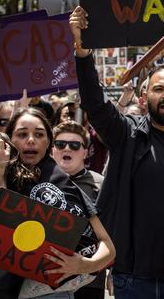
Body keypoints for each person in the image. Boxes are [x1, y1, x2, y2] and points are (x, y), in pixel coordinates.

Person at [70, 6, 164, 299]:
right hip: (132, 278)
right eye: (159, 89)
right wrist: (83, 52)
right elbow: (95, 105)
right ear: (145, 97)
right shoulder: (127, 135)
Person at [0, 110, 115, 298]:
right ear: (10, 141)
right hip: (5, 290)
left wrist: (86, 265)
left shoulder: (66, 185)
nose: (31, 140)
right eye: (22, 134)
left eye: (39, 134)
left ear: (49, 143)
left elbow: (108, 247)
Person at [52, 121, 106, 299]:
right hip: (45, 276)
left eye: (74, 145)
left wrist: (115, 269)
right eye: (60, 144)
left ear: (86, 152)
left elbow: (114, 230)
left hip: (89, 279)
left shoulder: (101, 184)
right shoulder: (38, 180)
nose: (66, 149)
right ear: (52, 150)